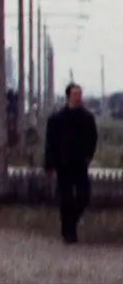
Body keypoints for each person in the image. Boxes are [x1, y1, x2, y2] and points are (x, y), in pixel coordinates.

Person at [45, 81, 99, 244]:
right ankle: (68, 232)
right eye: (75, 94)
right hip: (63, 163)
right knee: (65, 198)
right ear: (68, 96)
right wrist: (49, 164)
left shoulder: (87, 118)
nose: (78, 97)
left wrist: (89, 155)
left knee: (84, 196)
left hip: (80, 162)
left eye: (80, 94)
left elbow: (93, 138)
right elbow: (50, 143)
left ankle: (71, 223)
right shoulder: (57, 119)